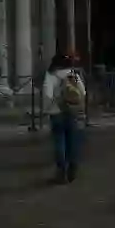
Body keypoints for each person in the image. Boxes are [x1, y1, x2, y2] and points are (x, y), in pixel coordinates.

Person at [43, 53, 85, 183]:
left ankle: (61, 172)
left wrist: (49, 107)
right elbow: (83, 92)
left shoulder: (50, 75)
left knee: (59, 141)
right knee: (73, 141)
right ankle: (73, 168)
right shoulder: (72, 73)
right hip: (71, 111)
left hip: (56, 112)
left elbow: (47, 94)